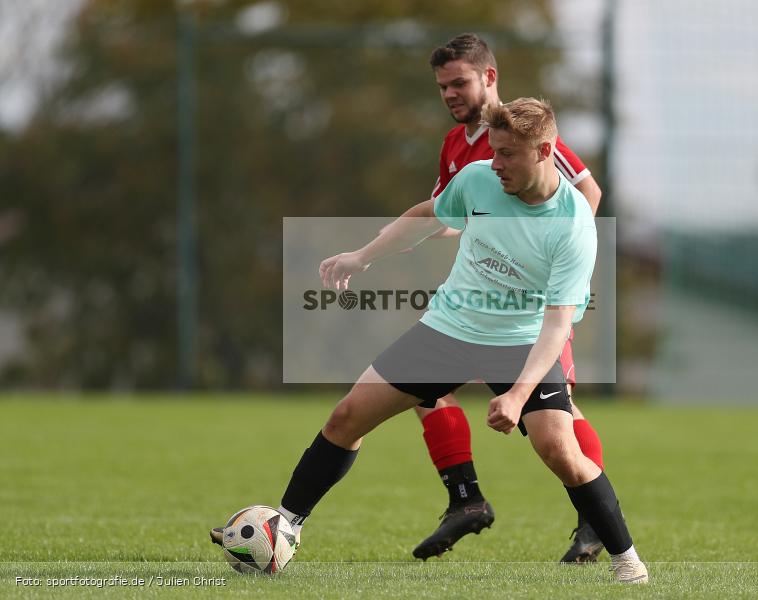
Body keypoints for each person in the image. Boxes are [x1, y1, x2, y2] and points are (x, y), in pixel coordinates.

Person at [211, 98, 648, 583]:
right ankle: (284, 527)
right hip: (447, 329)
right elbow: (428, 214)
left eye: (507, 154)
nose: (495, 163)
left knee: (559, 451)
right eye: (494, 151)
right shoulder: (478, 178)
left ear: (545, 151)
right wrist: (364, 256)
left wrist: (517, 393)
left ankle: (627, 562)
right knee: (346, 417)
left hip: (522, 342)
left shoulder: (572, 226)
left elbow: (557, 323)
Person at [407, 33, 607, 563]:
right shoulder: (456, 145)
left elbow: (587, 193)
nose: (450, 94)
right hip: (475, 300)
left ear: (489, 78)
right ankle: (465, 499)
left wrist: (563, 275)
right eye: (443, 86)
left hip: (535, 302)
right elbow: (453, 212)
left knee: (553, 416)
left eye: (460, 83)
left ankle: (593, 523)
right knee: (422, 389)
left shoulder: (523, 132)